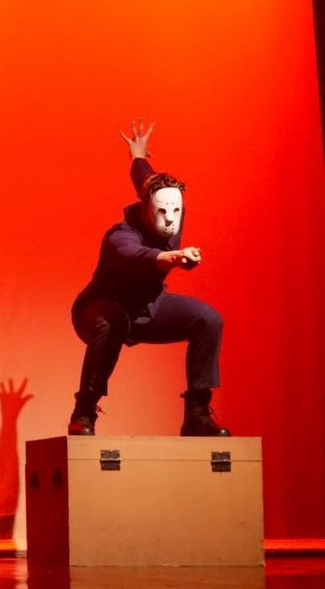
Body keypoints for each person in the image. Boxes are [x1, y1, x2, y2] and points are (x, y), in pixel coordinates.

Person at [67, 119, 228, 436]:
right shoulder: (119, 237)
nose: (170, 220)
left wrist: (137, 155)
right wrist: (174, 258)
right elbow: (137, 257)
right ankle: (84, 410)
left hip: (149, 308)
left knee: (208, 319)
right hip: (99, 309)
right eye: (162, 212)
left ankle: (196, 413)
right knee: (108, 321)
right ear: (144, 208)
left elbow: (145, 178)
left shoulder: (167, 203)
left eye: (176, 213)